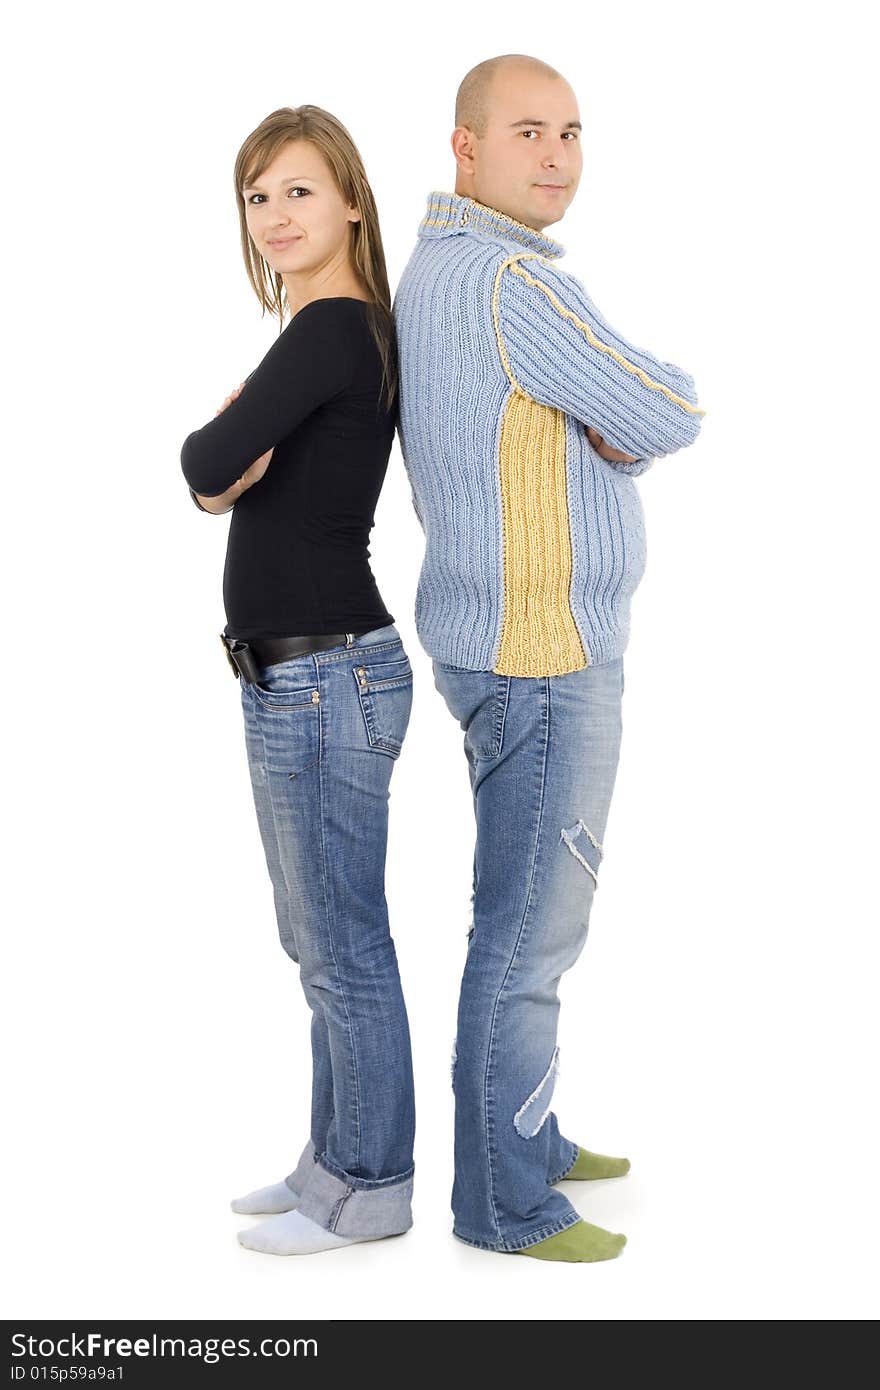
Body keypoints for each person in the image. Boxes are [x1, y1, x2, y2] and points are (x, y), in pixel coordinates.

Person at [392, 55, 705, 1261]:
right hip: (546, 656)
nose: (558, 154)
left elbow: (600, 417)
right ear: (464, 147)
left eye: (571, 131)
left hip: (489, 648)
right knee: (529, 936)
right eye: (528, 131)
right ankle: (504, 1203)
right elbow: (667, 409)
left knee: (513, 916)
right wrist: (617, 423)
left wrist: (601, 422)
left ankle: (525, 1134)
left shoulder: (437, 270)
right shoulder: (517, 285)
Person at [180, 105, 416, 1256]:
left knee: (342, 945)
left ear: (351, 205)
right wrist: (225, 470)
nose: (274, 215)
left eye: (299, 192)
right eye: (257, 196)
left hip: (325, 676)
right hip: (301, 678)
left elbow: (204, 462)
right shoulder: (333, 332)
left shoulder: (328, 328)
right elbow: (220, 480)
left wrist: (224, 457)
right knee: (316, 939)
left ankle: (369, 1187)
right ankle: (331, 1159)